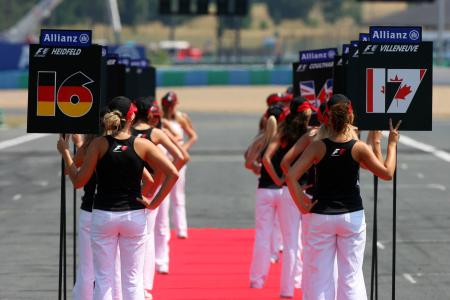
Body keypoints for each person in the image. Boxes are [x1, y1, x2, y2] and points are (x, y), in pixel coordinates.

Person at [57, 96, 179, 300]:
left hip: (104, 215)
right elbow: (172, 173)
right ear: (131, 117)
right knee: (133, 280)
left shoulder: (98, 145)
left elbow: (78, 181)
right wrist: (153, 202)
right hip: (133, 215)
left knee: (103, 279)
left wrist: (66, 154)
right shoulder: (142, 145)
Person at [286, 94, 401, 300]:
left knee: (319, 277)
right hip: (351, 217)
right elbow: (387, 173)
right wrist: (391, 144)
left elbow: (291, 175)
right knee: (351, 277)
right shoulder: (357, 147)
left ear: (327, 117)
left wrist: (302, 203)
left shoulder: (318, 146)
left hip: (320, 215)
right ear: (351, 116)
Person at [131, 97, 188, 297]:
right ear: (149, 115)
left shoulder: (126, 133)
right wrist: (161, 180)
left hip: (128, 191)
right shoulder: (156, 133)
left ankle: (138, 286)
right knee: (146, 237)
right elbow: (182, 157)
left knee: (131, 240)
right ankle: (144, 287)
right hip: (150, 191)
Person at [262, 97, 313, 298]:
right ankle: (304, 284)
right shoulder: (313, 133)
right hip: (307, 190)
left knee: (291, 242)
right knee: (310, 242)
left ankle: (287, 290)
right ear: (306, 111)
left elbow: (267, 158)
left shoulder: (284, 130)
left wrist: (281, 179)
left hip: (288, 191)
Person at [247, 104, 288, 292]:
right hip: (284, 190)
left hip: (264, 190)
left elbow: (249, 161)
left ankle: (257, 280)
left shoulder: (262, 139)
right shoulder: (289, 139)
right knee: (291, 238)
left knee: (262, 236)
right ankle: (292, 281)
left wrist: (259, 169)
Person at [71, 134, 97, 300]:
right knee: (114, 268)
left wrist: (66, 150)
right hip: (119, 210)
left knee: (87, 266)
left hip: (91, 210)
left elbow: (74, 174)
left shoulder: (90, 147)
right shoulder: (129, 144)